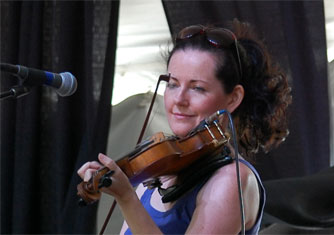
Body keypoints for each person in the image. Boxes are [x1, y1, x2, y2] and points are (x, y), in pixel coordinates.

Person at [78, 19, 292, 234]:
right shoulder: (157, 171)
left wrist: (126, 197)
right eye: (172, 84)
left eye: (197, 88)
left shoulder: (231, 180)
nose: (178, 99)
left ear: (233, 98)